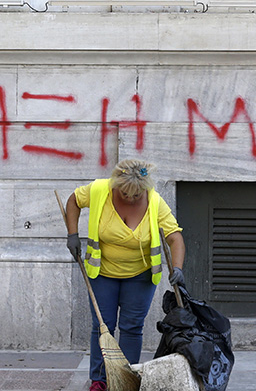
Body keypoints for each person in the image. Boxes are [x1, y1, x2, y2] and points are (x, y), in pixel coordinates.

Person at [65, 159, 185, 391]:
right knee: (103, 326)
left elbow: (174, 236)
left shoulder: (155, 202)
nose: (130, 198)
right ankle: (100, 380)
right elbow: (73, 200)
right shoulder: (100, 190)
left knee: (132, 327)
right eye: (125, 193)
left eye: (136, 195)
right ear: (116, 185)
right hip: (103, 273)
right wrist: (72, 234)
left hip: (140, 277)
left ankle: (125, 379)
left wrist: (177, 268)